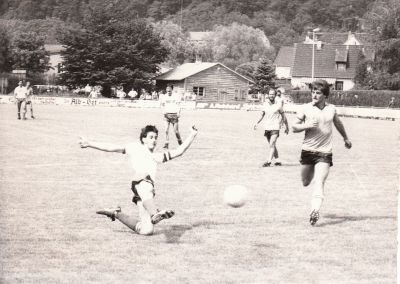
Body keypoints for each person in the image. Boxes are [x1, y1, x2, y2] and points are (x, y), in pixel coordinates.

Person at [78, 124, 198, 236]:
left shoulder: (156, 156)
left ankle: (115, 213)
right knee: (146, 185)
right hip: (140, 181)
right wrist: (89, 143)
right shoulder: (135, 148)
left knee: (147, 231)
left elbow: (179, 151)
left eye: (156, 137)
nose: (154, 140)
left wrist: (192, 135)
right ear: (143, 139)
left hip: (144, 191)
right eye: (151, 137)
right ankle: (154, 213)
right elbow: (111, 147)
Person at [292, 79, 352, 226]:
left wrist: (346, 138)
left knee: (320, 182)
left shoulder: (331, 109)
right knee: (306, 182)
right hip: (307, 150)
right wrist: (306, 125)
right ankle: (312, 183)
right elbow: (294, 127)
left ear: (325, 95)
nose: (314, 95)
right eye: (313, 92)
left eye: (318, 93)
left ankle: (315, 210)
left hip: (324, 152)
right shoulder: (306, 108)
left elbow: (338, 123)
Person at [254, 88, 289, 167]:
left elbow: (284, 116)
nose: (271, 96)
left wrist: (287, 127)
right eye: (270, 94)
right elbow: (262, 115)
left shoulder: (278, 105)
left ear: (275, 95)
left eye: (273, 94)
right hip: (267, 127)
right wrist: (256, 123)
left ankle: (268, 161)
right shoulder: (265, 104)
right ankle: (277, 160)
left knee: (272, 143)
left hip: (275, 127)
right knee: (272, 145)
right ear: (268, 95)